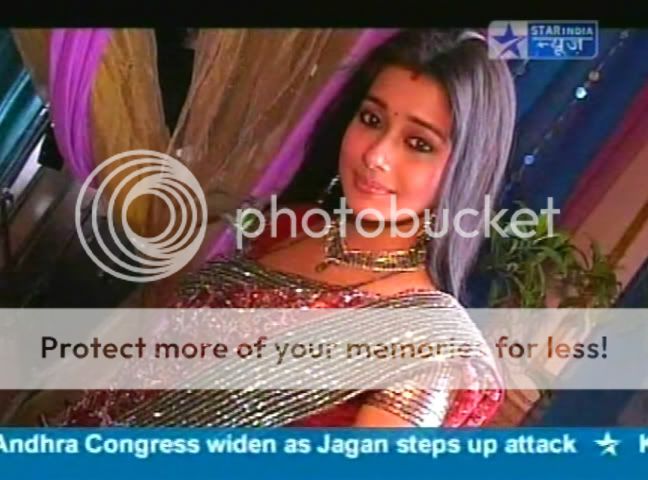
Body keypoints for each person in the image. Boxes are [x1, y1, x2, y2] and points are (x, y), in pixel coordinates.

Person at [14, 28, 516, 428]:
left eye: (419, 144)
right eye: (371, 119)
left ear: (465, 168)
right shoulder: (292, 226)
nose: (377, 155)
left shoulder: (427, 346)